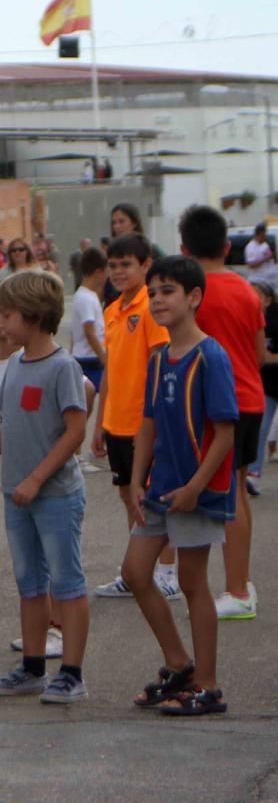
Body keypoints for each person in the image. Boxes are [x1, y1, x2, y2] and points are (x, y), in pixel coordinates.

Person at [0, 270, 90, 703]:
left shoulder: (62, 367)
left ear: (33, 317)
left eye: (6, 313)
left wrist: (38, 478)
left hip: (54, 495)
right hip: (17, 495)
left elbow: (75, 431)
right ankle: (33, 667)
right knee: (29, 583)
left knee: (67, 583)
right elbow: (10, 425)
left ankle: (71, 672)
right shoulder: (13, 364)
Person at [123, 255, 233, 716]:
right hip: (158, 487)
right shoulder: (158, 358)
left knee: (192, 582)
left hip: (196, 492)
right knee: (135, 573)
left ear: (193, 298)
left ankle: (207, 686)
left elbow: (226, 432)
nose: (158, 300)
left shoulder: (211, 356)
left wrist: (194, 487)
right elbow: (147, 425)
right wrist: (134, 481)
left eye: (168, 291)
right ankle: (178, 663)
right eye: (154, 293)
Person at [177, 206, 264, 619]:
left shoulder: (191, 295)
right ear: (228, 246)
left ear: (183, 249)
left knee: (222, 494)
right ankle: (239, 584)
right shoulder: (248, 291)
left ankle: (235, 590)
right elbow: (260, 353)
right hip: (251, 398)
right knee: (238, 490)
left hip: (213, 405)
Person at [91, 233, 177, 601]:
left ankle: (168, 572)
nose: (118, 272)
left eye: (126, 264)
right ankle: (135, 571)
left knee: (157, 499)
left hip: (145, 423)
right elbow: (110, 369)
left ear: (146, 266)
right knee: (129, 496)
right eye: (112, 265)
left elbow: (160, 363)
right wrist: (99, 422)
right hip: (116, 421)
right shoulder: (112, 310)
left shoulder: (150, 307)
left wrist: (158, 420)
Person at [71, 247, 108, 392]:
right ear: (99, 272)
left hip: (85, 355)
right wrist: (104, 357)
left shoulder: (85, 295)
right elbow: (89, 332)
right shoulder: (86, 298)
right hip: (89, 358)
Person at [251, 282, 278, 483]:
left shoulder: (275, 322)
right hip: (266, 384)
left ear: (268, 300)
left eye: (256, 295)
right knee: (261, 428)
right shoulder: (249, 321)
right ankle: (253, 473)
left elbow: (260, 355)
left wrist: (264, 356)